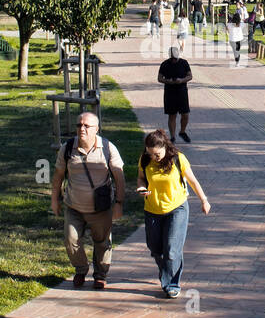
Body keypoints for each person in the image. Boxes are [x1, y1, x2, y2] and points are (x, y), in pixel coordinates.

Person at [50, 111, 127, 289]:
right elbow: (58, 175)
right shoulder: (68, 148)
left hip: (100, 208)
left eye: (86, 126)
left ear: (96, 129)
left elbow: (119, 177)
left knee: (102, 242)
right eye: (79, 125)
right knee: (71, 240)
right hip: (73, 206)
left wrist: (119, 204)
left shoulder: (108, 148)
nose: (82, 128)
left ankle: (100, 275)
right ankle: (81, 269)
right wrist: (55, 199)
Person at [137, 130, 211, 298]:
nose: (154, 157)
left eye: (157, 154)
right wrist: (141, 187)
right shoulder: (145, 159)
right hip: (152, 210)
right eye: (150, 153)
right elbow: (141, 178)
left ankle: (172, 283)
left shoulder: (178, 158)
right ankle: (166, 271)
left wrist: (204, 200)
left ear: (165, 147)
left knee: (171, 249)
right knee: (155, 248)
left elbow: (192, 180)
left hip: (177, 208)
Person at [158, 46, 193, 143]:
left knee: (185, 114)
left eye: (175, 58)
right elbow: (159, 78)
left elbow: (190, 76)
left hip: (182, 92)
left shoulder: (184, 63)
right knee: (172, 115)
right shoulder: (164, 64)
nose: (174, 60)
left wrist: (181, 80)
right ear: (169, 56)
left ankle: (182, 132)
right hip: (170, 93)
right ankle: (172, 137)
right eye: (172, 58)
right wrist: (167, 81)